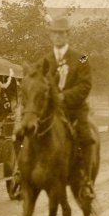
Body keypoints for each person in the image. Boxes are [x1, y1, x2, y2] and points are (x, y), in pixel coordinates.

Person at [42, 16, 96, 201]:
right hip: (51, 110)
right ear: (50, 36)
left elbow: (85, 85)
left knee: (86, 138)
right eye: (55, 33)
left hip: (75, 109)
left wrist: (65, 96)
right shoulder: (45, 60)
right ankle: (21, 174)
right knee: (28, 131)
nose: (58, 37)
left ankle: (87, 182)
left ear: (68, 35)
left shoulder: (81, 57)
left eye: (61, 33)